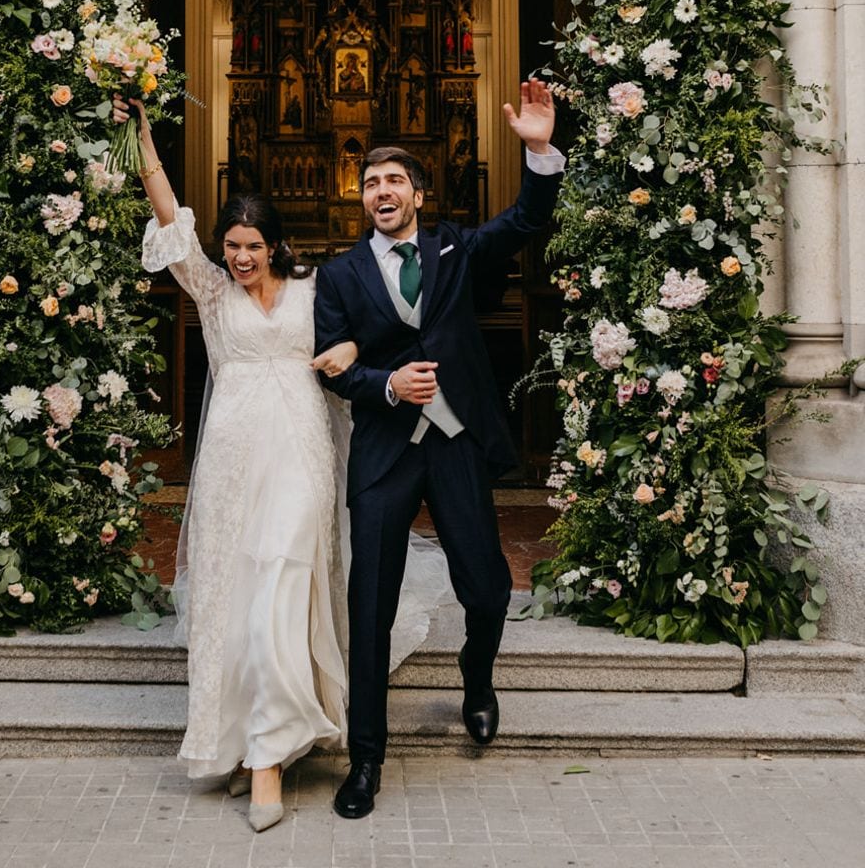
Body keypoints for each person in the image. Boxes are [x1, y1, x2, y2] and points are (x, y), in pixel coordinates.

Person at [114, 96, 447, 833]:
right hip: (234, 457)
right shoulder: (210, 293)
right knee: (236, 597)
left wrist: (355, 351)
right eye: (230, 245)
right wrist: (141, 141)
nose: (238, 257)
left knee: (286, 579)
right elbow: (170, 218)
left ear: (274, 245)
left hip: (301, 449)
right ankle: (248, 744)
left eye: (250, 246)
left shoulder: (314, 287)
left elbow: (370, 326)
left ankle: (269, 754)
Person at [314, 78, 565, 819]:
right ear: (362, 199)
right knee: (371, 607)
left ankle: (477, 678)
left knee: (486, 588)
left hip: (456, 447)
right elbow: (335, 366)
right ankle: (365, 762)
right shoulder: (340, 274)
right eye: (371, 183)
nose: (381, 191)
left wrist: (540, 149)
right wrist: (388, 385)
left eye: (395, 180)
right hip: (388, 454)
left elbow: (524, 221)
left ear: (419, 195)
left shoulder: (457, 248)